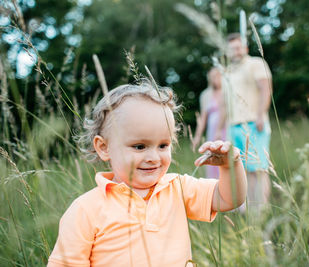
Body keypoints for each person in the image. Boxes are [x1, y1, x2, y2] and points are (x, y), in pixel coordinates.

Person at [47, 78, 247, 267]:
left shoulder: (177, 188)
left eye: (163, 145)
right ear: (104, 147)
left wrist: (230, 166)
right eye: (140, 146)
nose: (154, 157)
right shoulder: (86, 209)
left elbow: (229, 199)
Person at [223, 33, 273, 209]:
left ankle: (262, 208)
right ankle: (249, 208)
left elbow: (265, 89)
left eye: (238, 47)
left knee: (257, 169)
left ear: (244, 48)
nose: (235, 52)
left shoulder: (256, 64)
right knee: (242, 171)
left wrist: (261, 114)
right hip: (233, 126)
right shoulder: (227, 71)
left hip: (253, 122)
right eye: (231, 49)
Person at [192, 67, 225, 178]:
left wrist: (220, 129)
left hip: (226, 128)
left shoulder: (227, 92)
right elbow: (203, 117)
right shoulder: (206, 94)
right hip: (212, 130)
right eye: (212, 77)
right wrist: (197, 136)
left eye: (217, 75)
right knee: (212, 155)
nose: (215, 79)